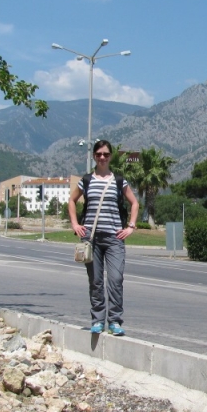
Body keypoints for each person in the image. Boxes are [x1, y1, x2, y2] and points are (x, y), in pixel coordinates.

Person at [68, 140, 139, 336]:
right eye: (99, 154)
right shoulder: (86, 180)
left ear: (110, 156)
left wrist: (130, 226)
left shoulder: (119, 181)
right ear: (94, 156)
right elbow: (72, 201)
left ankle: (115, 321)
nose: (102, 157)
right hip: (91, 239)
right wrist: (75, 224)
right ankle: (98, 320)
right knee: (96, 281)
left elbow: (134, 203)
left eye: (106, 154)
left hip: (114, 238)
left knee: (115, 279)